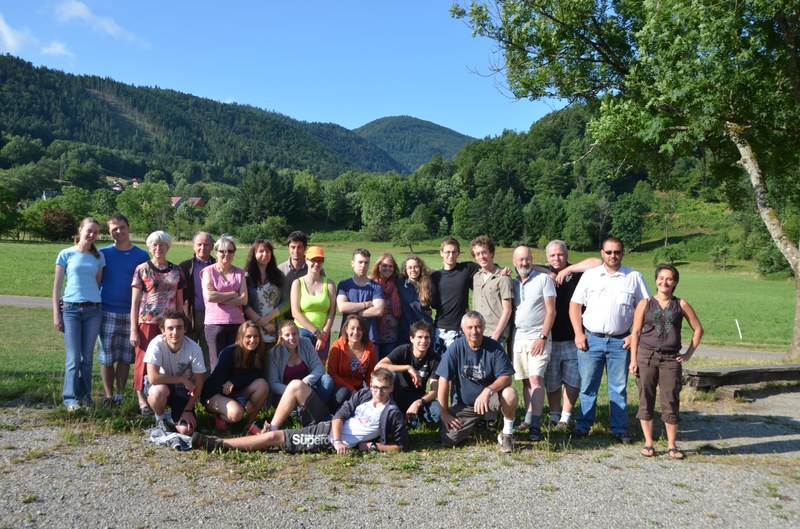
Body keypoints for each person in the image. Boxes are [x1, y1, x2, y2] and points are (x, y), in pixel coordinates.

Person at [192, 367, 407, 454]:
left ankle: (219, 444)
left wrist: (371, 446)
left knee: (276, 438)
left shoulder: (392, 413)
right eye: (376, 387)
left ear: (391, 388)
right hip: (330, 425)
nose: (378, 392)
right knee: (295, 385)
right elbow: (341, 414)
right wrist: (340, 438)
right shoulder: (364, 395)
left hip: (325, 439)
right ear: (371, 385)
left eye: (384, 388)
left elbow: (400, 446)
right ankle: (273, 424)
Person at [569, 236, 650, 443]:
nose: (613, 256)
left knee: (619, 388)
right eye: (608, 252)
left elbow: (645, 309)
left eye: (617, 252)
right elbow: (575, 305)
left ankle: (619, 429)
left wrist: (634, 335)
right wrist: (578, 333)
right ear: (602, 253)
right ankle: (583, 426)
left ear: (623, 253)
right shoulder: (590, 275)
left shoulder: (634, 277)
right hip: (591, 339)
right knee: (588, 386)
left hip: (620, 341)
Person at [630, 264, 703, 459]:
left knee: (670, 400)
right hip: (646, 356)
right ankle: (648, 443)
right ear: (656, 280)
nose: (664, 282)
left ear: (675, 282)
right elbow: (635, 333)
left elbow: (698, 329)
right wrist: (633, 359)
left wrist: (688, 354)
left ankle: (672, 445)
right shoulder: (645, 304)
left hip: (671, 359)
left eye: (669, 279)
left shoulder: (681, 304)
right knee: (646, 398)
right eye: (661, 278)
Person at [436, 311, 519, 453]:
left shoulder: (494, 347)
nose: (474, 331)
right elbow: (443, 380)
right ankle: (477, 423)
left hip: (490, 398)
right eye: (470, 328)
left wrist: (488, 390)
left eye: (478, 327)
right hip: (465, 404)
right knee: (449, 439)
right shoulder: (455, 348)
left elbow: (507, 377)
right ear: (463, 329)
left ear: (484, 327)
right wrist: (444, 413)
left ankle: (507, 433)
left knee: (510, 394)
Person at [541, 240, 600, 431]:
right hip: (550, 338)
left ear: (566, 255)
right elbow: (522, 265)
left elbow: (598, 262)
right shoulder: (543, 273)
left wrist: (568, 270)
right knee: (552, 381)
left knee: (573, 380)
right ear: (547, 257)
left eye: (560, 254)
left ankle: (566, 417)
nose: (556, 258)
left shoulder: (578, 273)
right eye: (552, 255)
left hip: (573, 337)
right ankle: (554, 414)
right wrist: (546, 272)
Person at [52, 217, 105, 411]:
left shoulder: (98, 257)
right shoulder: (65, 254)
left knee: (87, 358)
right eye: (88, 230)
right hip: (71, 310)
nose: (91, 235)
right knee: (73, 358)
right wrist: (56, 315)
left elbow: (97, 284)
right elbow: (57, 287)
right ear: (80, 229)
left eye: (95, 232)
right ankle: (70, 398)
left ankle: (85, 397)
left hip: (93, 310)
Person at [131, 230, 186, 416]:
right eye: (154, 244)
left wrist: (182, 323)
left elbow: (180, 300)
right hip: (147, 321)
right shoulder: (142, 269)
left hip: (170, 324)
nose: (158, 248)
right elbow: (135, 302)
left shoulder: (177, 271)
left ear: (167, 247)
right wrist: (133, 329)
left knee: (166, 358)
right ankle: (142, 399)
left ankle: (163, 397)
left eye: (162, 244)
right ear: (150, 247)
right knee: (143, 360)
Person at [97, 214, 149, 406]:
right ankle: (109, 396)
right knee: (107, 357)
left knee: (126, 357)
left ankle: (120, 394)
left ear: (128, 227)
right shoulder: (103, 253)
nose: (118, 231)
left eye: (121, 227)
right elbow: (95, 281)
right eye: (114, 229)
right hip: (107, 310)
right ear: (109, 232)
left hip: (132, 313)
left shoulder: (141, 256)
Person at [510, 245, 556, 441]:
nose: (524, 262)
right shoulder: (513, 283)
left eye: (527, 259)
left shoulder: (544, 279)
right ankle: (528, 419)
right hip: (518, 337)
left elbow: (551, 311)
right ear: (514, 262)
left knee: (536, 379)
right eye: (520, 259)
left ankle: (535, 426)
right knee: (526, 381)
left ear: (532, 259)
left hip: (539, 337)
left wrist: (542, 337)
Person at [201, 321, 270, 433]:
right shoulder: (229, 353)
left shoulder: (258, 353)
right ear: (240, 337)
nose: (253, 340)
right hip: (214, 393)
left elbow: (258, 375)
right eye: (248, 336)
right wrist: (243, 401)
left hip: (234, 391)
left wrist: (234, 381)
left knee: (262, 385)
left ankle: (250, 424)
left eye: (256, 336)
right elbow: (219, 384)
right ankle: (221, 416)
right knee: (236, 413)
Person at [143, 310, 205, 435]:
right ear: (163, 330)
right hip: (161, 386)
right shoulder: (156, 344)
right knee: (158, 393)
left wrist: (187, 410)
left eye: (179, 327)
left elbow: (199, 382)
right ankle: (160, 420)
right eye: (170, 328)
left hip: (182, 390)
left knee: (186, 430)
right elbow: (153, 378)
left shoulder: (194, 348)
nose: (175, 332)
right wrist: (181, 379)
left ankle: (172, 417)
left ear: (185, 329)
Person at [377, 321, 440, 426]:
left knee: (437, 414)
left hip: (418, 397)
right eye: (419, 337)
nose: (423, 341)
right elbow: (379, 366)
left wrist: (418, 403)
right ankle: (397, 414)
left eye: (427, 337)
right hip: (397, 395)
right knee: (392, 374)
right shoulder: (403, 350)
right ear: (412, 339)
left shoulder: (435, 359)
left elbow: (434, 391)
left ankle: (410, 417)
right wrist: (407, 368)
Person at [202, 235, 247, 371]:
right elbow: (210, 296)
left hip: (237, 323)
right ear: (215, 252)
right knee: (217, 364)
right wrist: (233, 294)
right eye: (222, 251)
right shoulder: (208, 271)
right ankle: (215, 392)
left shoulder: (240, 273)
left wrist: (220, 296)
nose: (226, 254)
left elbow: (244, 299)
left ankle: (232, 391)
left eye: (230, 251)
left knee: (235, 362)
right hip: (214, 324)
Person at [267, 320, 335, 408]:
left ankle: (315, 409)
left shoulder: (306, 343)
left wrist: (306, 382)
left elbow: (319, 367)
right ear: (281, 337)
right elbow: (273, 383)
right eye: (287, 335)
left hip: (308, 388)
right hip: (286, 393)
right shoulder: (274, 353)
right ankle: (306, 411)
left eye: (294, 334)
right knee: (278, 401)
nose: (291, 338)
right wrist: (294, 390)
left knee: (327, 379)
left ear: (298, 334)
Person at [430, 237, 480, 355]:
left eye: (454, 252)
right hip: (441, 329)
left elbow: (487, 265)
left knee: (462, 368)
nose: (451, 255)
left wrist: (502, 270)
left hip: (462, 329)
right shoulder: (435, 276)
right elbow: (434, 304)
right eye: (447, 252)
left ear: (458, 253)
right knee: (441, 368)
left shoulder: (467, 269)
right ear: (441, 253)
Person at [289, 245, 336, 361]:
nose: (316, 264)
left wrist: (323, 335)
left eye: (320, 260)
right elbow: (295, 312)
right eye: (313, 260)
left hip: (324, 333)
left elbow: (332, 311)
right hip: (303, 331)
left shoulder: (329, 284)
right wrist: (316, 332)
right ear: (306, 260)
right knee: (303, 366)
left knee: (319, 367)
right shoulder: (298, 283)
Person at [179, 232, 215, 369]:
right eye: (199, 244)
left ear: (212, 246)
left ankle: (206, 387)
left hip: (212, 317)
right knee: (188, 353)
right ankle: (186, 387)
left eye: (206, 244)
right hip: (190, 316)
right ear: (193, 246)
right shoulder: (184, 267)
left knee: (209, 354)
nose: (203, 247)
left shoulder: (218, 266)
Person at [470, 235, 514, 346]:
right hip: (478, 333)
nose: (481, 257)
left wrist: (496, 335)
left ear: (491, 253)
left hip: (496, 336)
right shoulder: (476, 277)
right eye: (477, 254)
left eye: (484, 252)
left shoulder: (503, 278)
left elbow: (507, 310)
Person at [243, 239, 287, 346]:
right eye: (261, 251)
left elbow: (286, 302)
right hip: (253, 331)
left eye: (268, 251)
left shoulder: (279, 275)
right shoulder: (246, 277)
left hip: (274, 329)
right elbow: (244, 304)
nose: (265, 254)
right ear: (254, 253)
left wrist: (268, 319)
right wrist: (262, 323)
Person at [327, 315, 378, 409]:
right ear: (346, 329)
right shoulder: (337, 346)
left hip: (358, 387)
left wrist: (373, 390)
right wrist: (351, 390)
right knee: (343, 394)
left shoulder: (370, 348)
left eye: (359, 329)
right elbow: (332, 374)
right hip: (339, 386)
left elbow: (371, 374)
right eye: (352, 328)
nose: (355, 332)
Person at [336, 248, 385, 344]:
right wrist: (366, 304)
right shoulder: (344, 285)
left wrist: (352, 312)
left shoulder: (376, 287)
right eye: (360, 262)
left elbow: (378, 311)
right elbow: (342, 307)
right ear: (352, 263)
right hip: (348, 338)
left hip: (369, 338)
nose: (363, 265)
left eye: (366, 263)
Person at [369, 252, 403, 358]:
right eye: (384, 265)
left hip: (392, 336)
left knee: (390, 371)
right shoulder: (370, 283)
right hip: (374, 335)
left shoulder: (398, 282)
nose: (387, 268)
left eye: (390, 266)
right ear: (378, 266)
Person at [396, 255, 433, 342]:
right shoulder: (400, 283)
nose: (413, 270)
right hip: (405, 330)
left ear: (420, 268)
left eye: (416, 267)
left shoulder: (428, 284)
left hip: (424, 330)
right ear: (405, 269)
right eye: (410, 267)